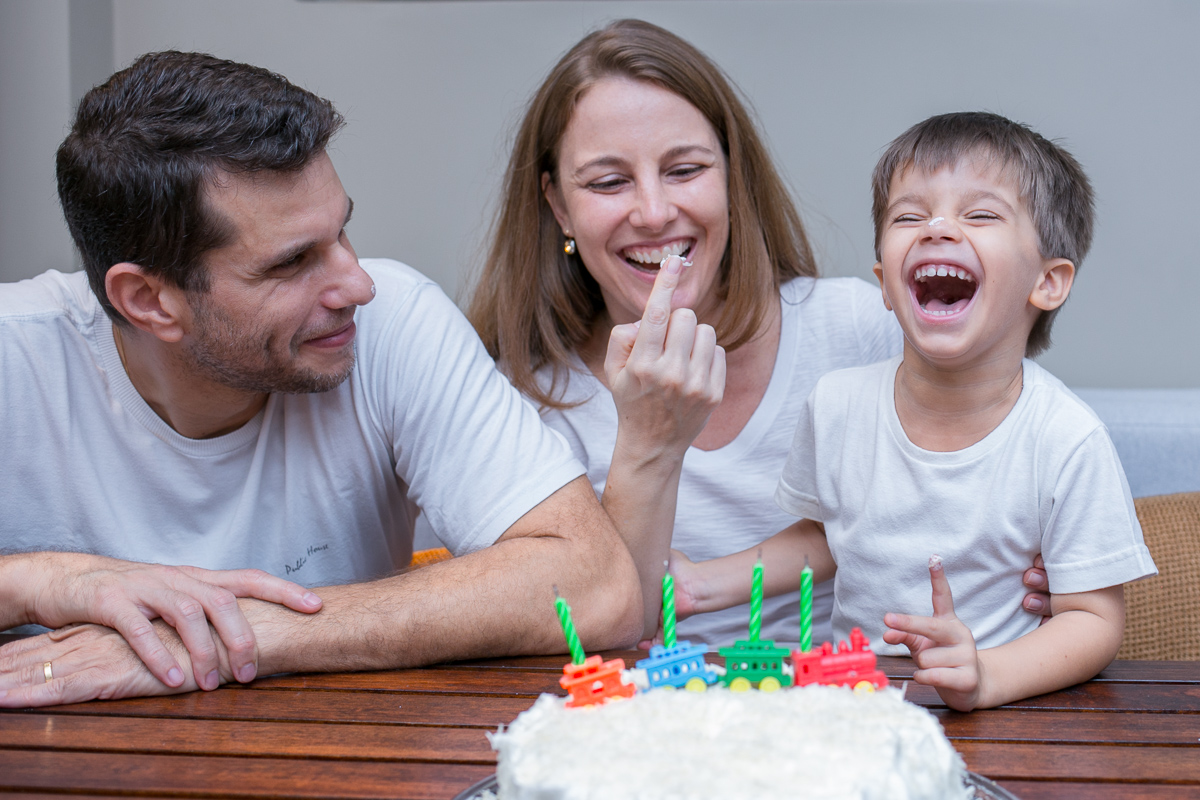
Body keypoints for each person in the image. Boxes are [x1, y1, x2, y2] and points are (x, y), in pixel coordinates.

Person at [0, 51, 641, 708]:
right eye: (293, 262)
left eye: (342, 232)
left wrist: (236, 635)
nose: (356, 284)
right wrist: (49, 582)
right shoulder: (15, 354)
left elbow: (598, 585)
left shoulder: (392, 321)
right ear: (149, 301)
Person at [467, 19, 1052, 647]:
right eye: (608, 181)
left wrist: (1037, 554)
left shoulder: (864, 330)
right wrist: (648, 440)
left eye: (685, 169)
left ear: (731, 174)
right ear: (559, 206)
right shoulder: (523, 402)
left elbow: (1016, 468)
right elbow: (593, 634)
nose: (656, 212)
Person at [665, 112, 1157, 710]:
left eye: (980, 214)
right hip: (849, 707)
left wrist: (985, 675)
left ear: (1048, 282)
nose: (937, 228)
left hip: (999, 723)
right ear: (886, 286)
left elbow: (1094, 621)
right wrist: (701, 583)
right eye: (909, 215)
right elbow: (827, 537)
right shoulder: (837, 405)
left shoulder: (1067, 439)